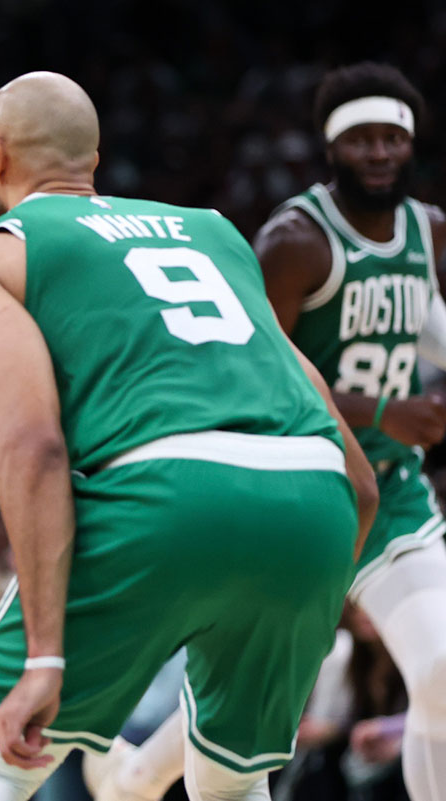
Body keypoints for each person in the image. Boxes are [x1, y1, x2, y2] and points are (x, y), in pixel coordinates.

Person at [0, 71, 378, 801]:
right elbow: (358, 479)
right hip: (313, 503)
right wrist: (299, 585)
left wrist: (45, 657)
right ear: (94, 162)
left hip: (164, 489)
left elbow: (34, 447)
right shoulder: (215, 234)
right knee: (230, 783)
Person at [87, 62, 446, 801]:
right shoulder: (294, 240)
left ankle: (132, 775)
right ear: (331, 148)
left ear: (411, 146)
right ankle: (134, 775)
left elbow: (422, 326)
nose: (378, 153)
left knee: (441, 670)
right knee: (248, 701)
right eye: (361, 140)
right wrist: (382, 411)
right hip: (299, 482)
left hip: (393, 488)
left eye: (392, 139)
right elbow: (252, 373)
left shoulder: (430, 230)